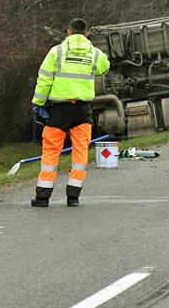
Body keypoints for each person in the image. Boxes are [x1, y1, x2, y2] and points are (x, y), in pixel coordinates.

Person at [30, 18, 110, 207]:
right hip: (82, 110)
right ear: (87, 33)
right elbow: (105, 67)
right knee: (80, 152)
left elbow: (44, 80)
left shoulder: (56, 52)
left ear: (68, 32)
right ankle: (73, 196)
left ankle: (43, 197)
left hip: (58, 110)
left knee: (50, 152)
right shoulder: (95, 53)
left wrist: (38, 103)